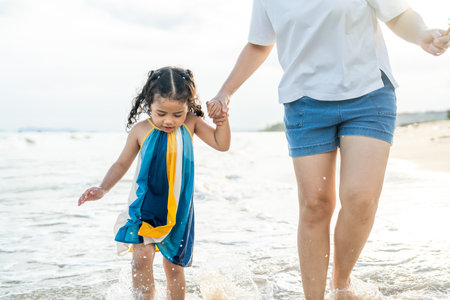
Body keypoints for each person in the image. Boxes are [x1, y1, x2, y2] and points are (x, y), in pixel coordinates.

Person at [207, 1, 449, 299]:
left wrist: (423, 34)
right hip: (304, 103)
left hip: (369, 94)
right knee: (315, 205)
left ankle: (341, 283)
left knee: (360, 198)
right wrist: (226, 90)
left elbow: (397, 14)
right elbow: (259, 45)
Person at [78, 66, 230, 300]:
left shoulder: (192, 123)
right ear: (149, 104)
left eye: (177, 114)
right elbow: (121, 164)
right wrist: (102, 188)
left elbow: (222, 144)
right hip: (145, 207)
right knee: (141, 259)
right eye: (161, 113)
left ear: (187, 107)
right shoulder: (141, 130)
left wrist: (221, 122)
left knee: (174, 267)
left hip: (178, 212)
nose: (169, 120)